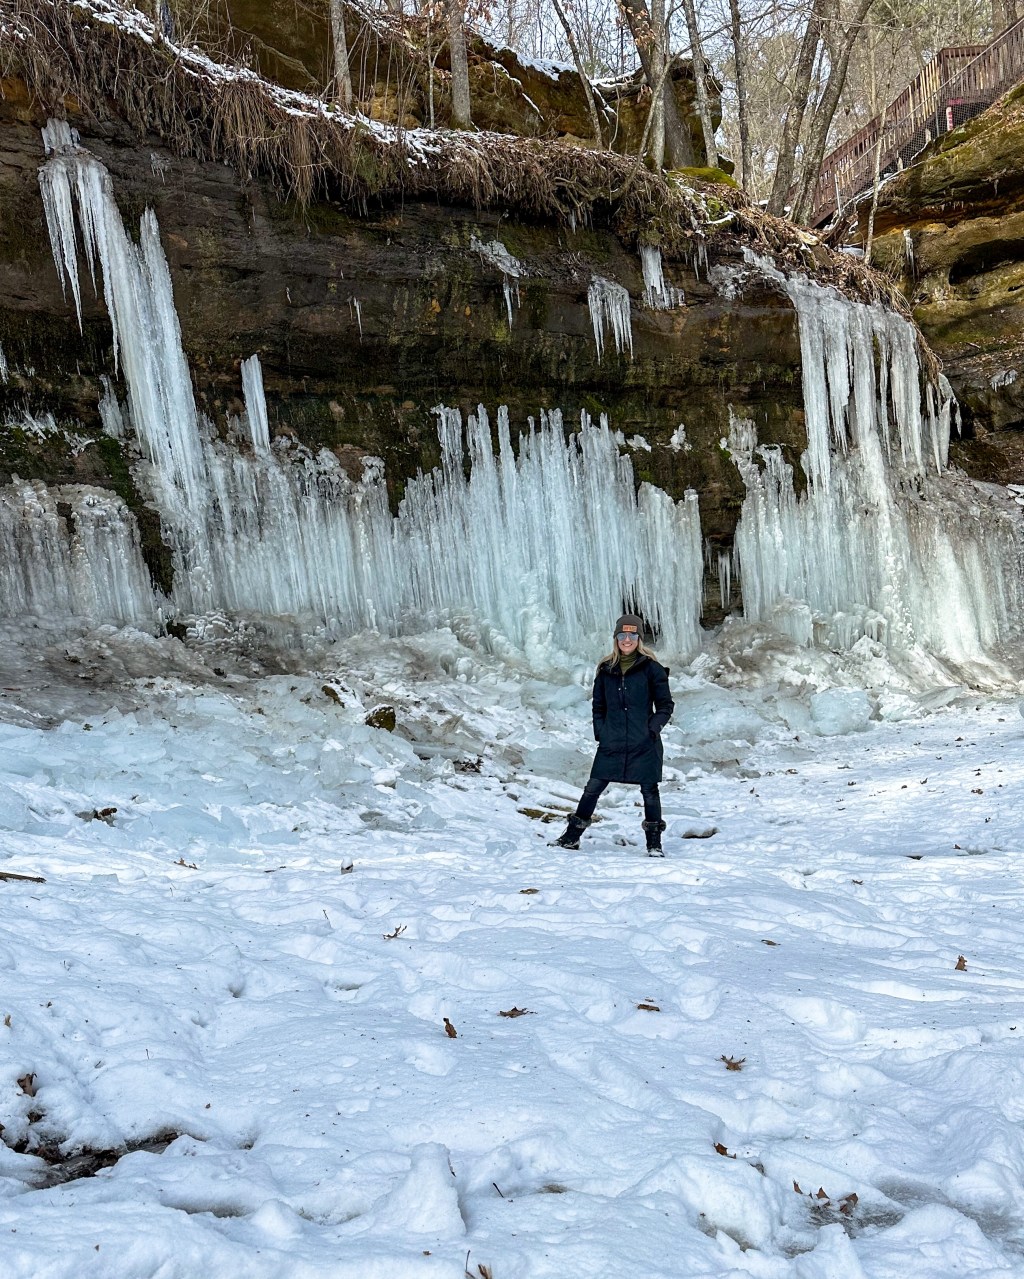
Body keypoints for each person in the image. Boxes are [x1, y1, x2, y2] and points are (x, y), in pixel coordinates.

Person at [554, 613, 674, 856]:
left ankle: (654, 845)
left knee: (650, 791)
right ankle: (571, 837)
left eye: (632, 635)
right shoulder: (606, 670)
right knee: (593, 788)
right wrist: (601, 732)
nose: (626, 640)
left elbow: (665, 706)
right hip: (612, 741)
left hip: (644, 742)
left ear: (639, 639)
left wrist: (652, 729)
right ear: (616, 638)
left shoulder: (652, 669)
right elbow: (598, 706)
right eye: (622, 635)